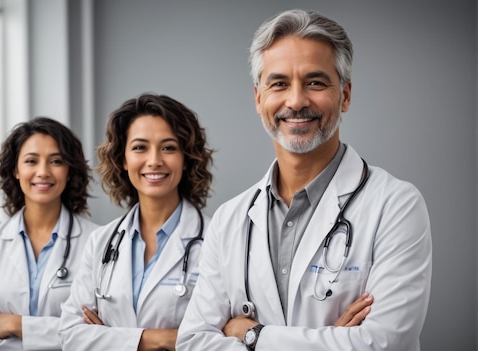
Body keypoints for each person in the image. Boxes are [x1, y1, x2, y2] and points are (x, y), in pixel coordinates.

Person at [176, 9, 432, 351]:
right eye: (279, 83)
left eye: (315, 82)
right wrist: (336, 340)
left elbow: (382, 343)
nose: (296, 101)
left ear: (345, 95)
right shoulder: (230, 219)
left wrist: (252, 335)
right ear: (258, 98)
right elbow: (193, 342)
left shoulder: (396, 206)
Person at [58, 93, 213, 350]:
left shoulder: (215, 241)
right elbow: (71, 335)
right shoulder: (101, 242)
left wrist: (109, 338)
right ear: (123, 159)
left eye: (169, 147)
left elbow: (218, 338)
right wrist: (158, 339)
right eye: (140, 147)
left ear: (186, 158)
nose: (154, 160)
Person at [0, 117, 99, 350]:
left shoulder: (99, 242)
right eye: (31, 161)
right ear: (16, 170)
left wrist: (16, 324)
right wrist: (60, 332)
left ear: (70, 171)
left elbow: (98, 334)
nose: (43, 172)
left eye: (56, 161)